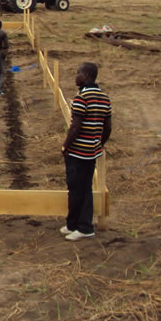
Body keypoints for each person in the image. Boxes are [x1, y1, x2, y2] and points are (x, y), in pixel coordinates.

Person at [61, 62, 111, 241]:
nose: (76, 76)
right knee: (80, 187)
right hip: (92, 151)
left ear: (87, 76)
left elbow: (75, 126)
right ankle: (72, 224)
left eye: (78, 73)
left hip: (78, 152)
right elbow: (107, 127)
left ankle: (84, 227)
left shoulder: (81, 98)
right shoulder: (104, 98)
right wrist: (99, 143)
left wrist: (66, 146)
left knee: (79, 189)